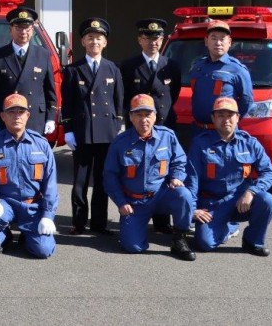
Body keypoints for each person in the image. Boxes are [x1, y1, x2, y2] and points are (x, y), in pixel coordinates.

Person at [103, 94, 195, 261]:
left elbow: (180, 160)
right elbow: (110, 177)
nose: (143, 119)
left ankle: (179, 238)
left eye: (147, 114)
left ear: (155, 116)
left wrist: (176, 176)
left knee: (184, 195)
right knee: (133, 247)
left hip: (162, 195)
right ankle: (136, 229)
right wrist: (121, 202)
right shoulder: (120, 143)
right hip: (135, 202)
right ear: (130, 117)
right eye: (138, 115)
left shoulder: (167, 136)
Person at [186, 97, 272, 256]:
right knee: (204, 244)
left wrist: (251, 192)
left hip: (240, 200)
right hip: (212, 203)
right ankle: (229, 227)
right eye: (220, 115)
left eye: (230, 115)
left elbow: (269, 172)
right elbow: (192, 180)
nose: (225, 120)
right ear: (213, 118)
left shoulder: (249, 143)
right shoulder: (200, 144)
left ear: (237, 117)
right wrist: (193, 210)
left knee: (267, 200)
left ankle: (252, 242)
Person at [60, 17, 124, 235]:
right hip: (82, 133)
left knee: (102, 181)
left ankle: (99, 224)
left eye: (99, 38)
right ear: (83, 42)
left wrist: (119, 127)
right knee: (79, 182)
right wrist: (68, 130)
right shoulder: (72, 70)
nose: (94, 42)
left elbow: (119, 102)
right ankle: (78, 222)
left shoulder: (113, 69)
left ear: (105, 43)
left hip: (106, 133)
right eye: (90, 38)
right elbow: (67, 103)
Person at [119, 18, 182, 234]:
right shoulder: (128, 66)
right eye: (147, 37)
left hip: (164, 128)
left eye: (156, 38)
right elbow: (125, 97)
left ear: (162, 40)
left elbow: (173, 96)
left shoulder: (171, 66)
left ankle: (162, 221)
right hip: (138, 129)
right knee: (137, 172)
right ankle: (135, 213)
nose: (152, 42)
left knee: (162, 172)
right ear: (139, 40)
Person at [0, 93, 59, 257]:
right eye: (11, 112)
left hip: (32, 206)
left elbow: (50, 184)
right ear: (3, 116)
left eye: (20, 112)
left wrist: (48, 215)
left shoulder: (41, 144)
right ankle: (4, 233)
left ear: (27, 115)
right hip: (5, 203)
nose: (16, 117)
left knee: (43, 251)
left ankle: (27, 234)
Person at [0, 6, 57, 136]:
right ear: (10, 30)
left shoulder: (43, 55)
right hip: (8, 118)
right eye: (18, 28)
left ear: (32, 31)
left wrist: (50, 117)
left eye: (27, 28)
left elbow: (49, 90)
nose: (23, 32)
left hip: (35, 118)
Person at [187, 20, 254, 137]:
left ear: (229, 42)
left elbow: (246, 101)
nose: (218, 43)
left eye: (222, 38)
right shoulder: (198, 65)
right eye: (213, 38)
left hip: (223, 133)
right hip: (198, 131)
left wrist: (228, 122)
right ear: (206, 41)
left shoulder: (237, 69)